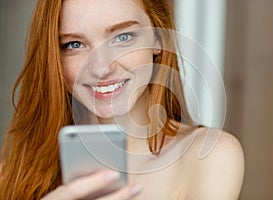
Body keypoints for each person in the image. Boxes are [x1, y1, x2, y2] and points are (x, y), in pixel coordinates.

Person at [0, 0, 245, 199]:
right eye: (74, 44)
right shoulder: (12, 173)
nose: (101, 68)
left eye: (123, 37)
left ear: (158, 39)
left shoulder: (208, 156)